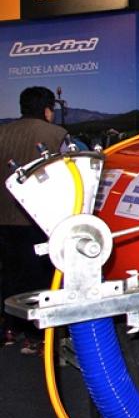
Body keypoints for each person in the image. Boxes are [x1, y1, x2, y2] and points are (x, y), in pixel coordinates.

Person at [0, 86, 68, 355]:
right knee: (39, 279)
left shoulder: (3, 132)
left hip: (4, 219)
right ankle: (37, 337)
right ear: (47, 109)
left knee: (9, 275)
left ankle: (9, 328)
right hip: (38, 219)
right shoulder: (56, 134)